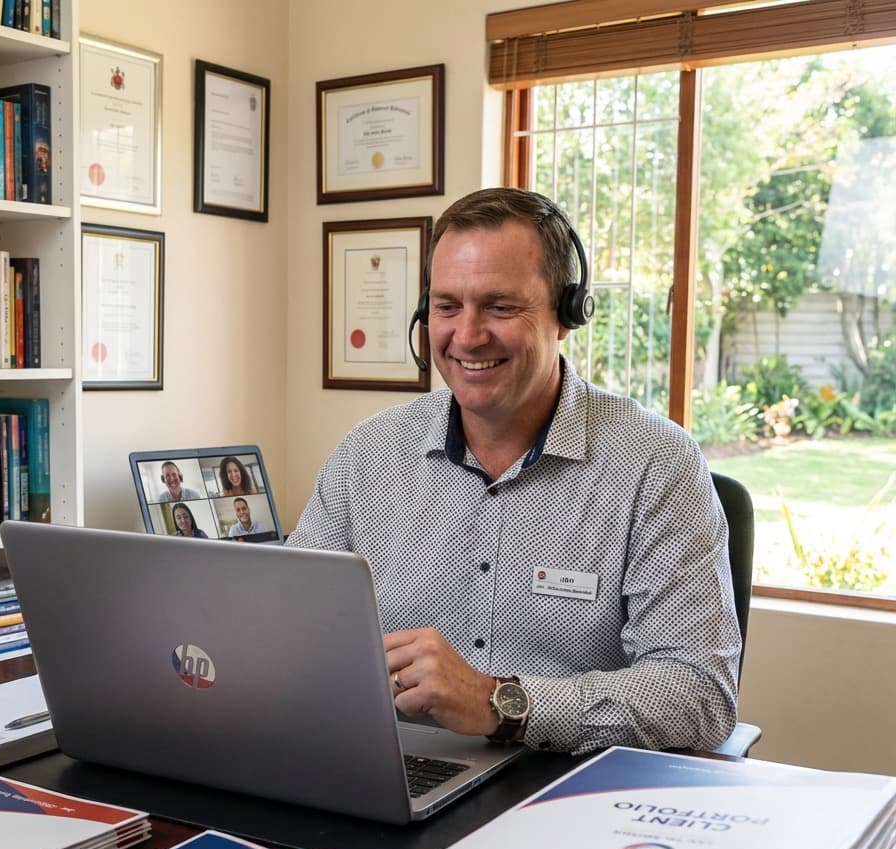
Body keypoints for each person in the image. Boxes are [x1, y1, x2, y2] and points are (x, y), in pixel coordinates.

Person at [286, 187, 741, 756]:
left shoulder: (656, 463)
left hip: (570, 796)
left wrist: (502, 703)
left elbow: (699, 694)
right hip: (391, 773)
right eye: (447, 306)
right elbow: (294, 631)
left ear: (566, 317)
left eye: (500, 307)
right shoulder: (367, 457)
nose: (469, 336)